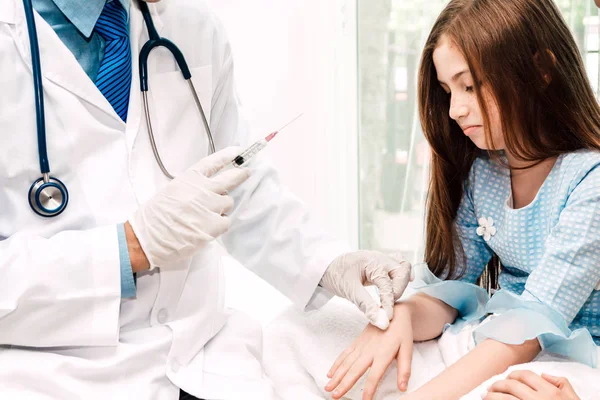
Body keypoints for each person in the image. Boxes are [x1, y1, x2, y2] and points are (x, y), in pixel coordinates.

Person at [0, 0, 412, 399]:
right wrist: (128, 249)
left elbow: (235, 187)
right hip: (49, 372)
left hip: (202, 359)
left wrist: (329, 263)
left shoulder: (192, 28)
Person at [325, 0, 600, 399]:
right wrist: (402, 315)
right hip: (485, 342)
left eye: (469, 86)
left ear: (541, 70)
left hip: (568, 363)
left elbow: (531, 328)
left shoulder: (590, 180)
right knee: (316, 327)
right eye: (447, 90)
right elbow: (448, 291)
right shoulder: (484, 173)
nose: (455, 109)